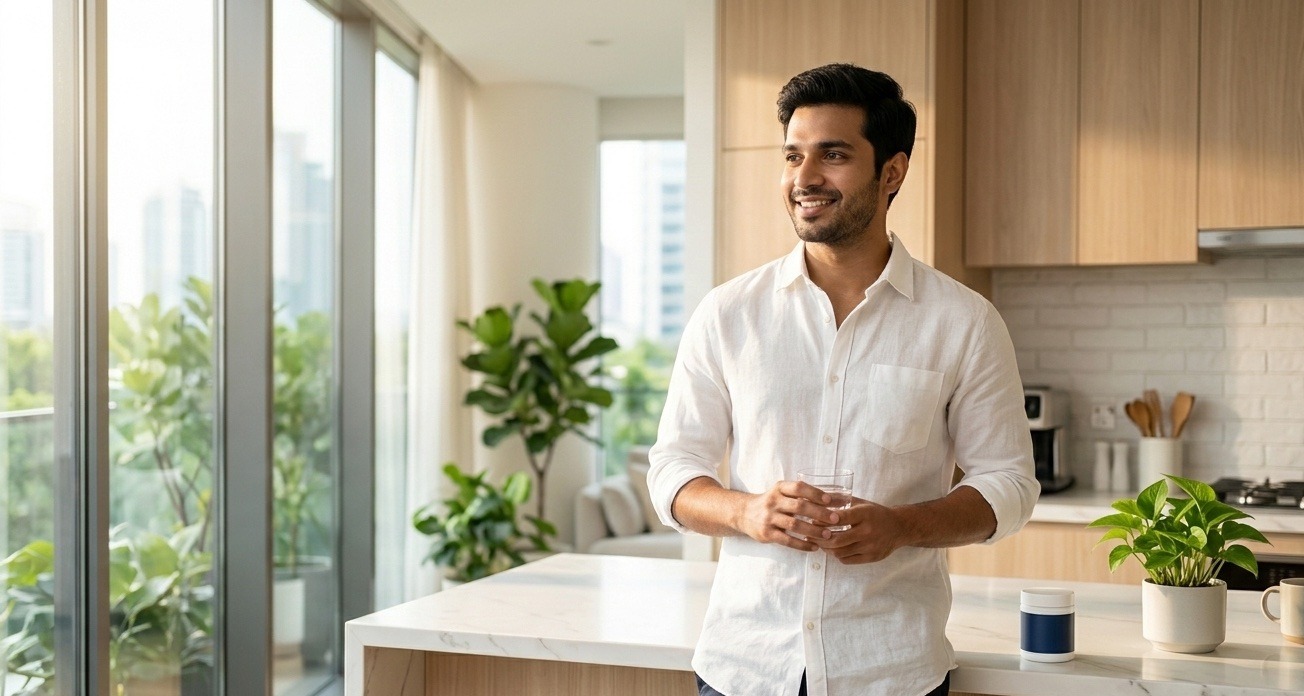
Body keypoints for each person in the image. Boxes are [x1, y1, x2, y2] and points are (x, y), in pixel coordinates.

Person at [646, 63, 1039, 696]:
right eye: (793, 156)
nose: (804, 179)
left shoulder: (963, 321)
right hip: (743, 669)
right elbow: (671, 471)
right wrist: (747, 511)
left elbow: (1009, 483)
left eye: (832, 155)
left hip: (890, 672)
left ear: (893, 172)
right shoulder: (727, 314)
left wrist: (901, 526)